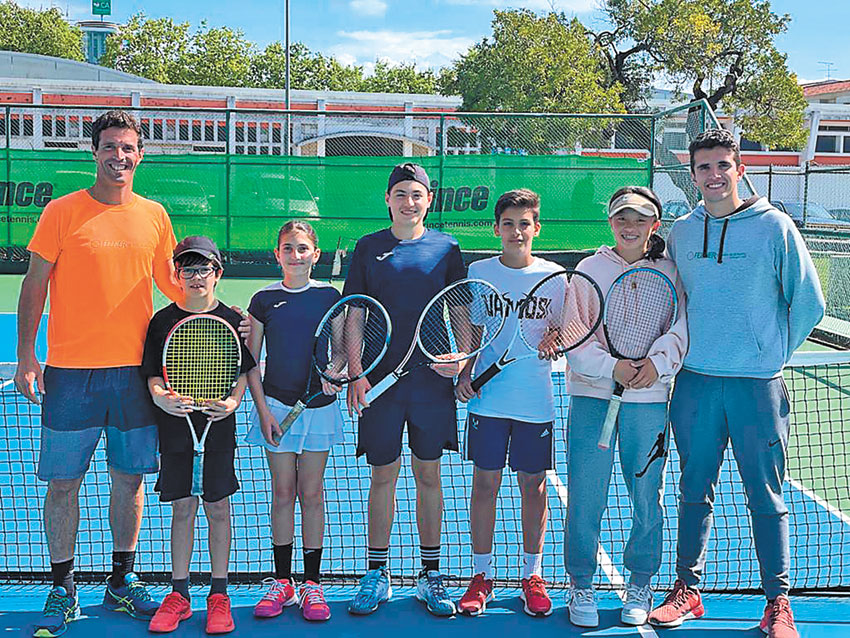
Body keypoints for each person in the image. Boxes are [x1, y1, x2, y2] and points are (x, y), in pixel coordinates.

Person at [648, 129, 825, 638]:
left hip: (757, 387)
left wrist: (769, 355)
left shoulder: (775, 227)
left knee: (765, 497)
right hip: (696, 384)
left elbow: (808, 303)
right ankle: (686, 590)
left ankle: (777, 603)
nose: (714, 175)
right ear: (694, 174)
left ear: (740, 169)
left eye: (723, 165)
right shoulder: (682, 231)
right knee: (692, 491)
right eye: (704, 167)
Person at [15, 110, 184, 638]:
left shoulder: (155, 215)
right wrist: (26, 356)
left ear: (140, 154)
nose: (120, 156)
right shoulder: (61, 211)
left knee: (128, 480)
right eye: (110, 146)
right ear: (95, 153)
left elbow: (174, 286)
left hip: (135, 375)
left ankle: (120, 579)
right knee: (64, 484)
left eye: (129, 147)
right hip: (69, 374)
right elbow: (34, 284)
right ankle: (63, 587)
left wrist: (222, 319)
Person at [344, 163, 467, 617]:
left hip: (430, 385)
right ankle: (377, 572)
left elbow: (459, 306)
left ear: (428, 199)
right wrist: (357, 372)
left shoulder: (446, 249)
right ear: (388, 199)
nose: (408, 201)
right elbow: (353, 313)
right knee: (383, 477)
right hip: (379, 383)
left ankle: (431, 575)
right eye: (400, 193)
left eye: (416, 194)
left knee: (429, 476)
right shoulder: (368, 248)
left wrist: (463, 358)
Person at [564, 186, 688, 628]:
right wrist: (610, 366)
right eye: (622, 218)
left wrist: (657, 365)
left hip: (649, 404)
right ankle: (581, 583)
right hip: (591, 400)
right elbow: (574, 335)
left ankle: (641, 580)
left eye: (640, 219)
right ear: (611, 222)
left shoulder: (672, 272)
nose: (630, 226)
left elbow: (680, 329)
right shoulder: (587, 270)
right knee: (585, 495)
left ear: (655, 226)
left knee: (645, 496)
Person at [453, 189, 562, 617]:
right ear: (496, 228)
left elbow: (563, 329)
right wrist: (465, 371)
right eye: (508, 224)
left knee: (533, 488)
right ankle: (481, 576)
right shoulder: (479, 271)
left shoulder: (556, 276)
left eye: (524, 224)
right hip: (488, 398)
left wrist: (557, 340)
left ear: (536, 228)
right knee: (485, 485)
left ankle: (531, 576)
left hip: (535, 399)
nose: (516, 231)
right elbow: (475, 332)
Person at [143, 236, 255, 634]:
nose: (195, 276)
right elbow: (155, 374)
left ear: (217, 274)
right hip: (176, 428)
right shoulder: (161, 321)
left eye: (203, 268)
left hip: (218, 427)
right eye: (187, 268)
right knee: (183, 509)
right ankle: (179, 595)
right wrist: (161, 398)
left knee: (218, 508)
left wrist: (235, 403)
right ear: (176, 274)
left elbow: (242, 373)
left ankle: (218, 595)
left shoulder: (233, 320)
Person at [245, 221, 343, 622]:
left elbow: (339, 352)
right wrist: (264, 411)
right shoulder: (264, 300)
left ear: (315, 254)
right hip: (276, 408)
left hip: (318, 409)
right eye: (288, 248)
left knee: (312, 492)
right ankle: (283, 581)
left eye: (303, 248)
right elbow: (250, 362)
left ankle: (312, 584)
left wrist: (335, 372)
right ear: (277, 253)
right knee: (283, 491)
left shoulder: (330, 297)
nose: (296, 255)